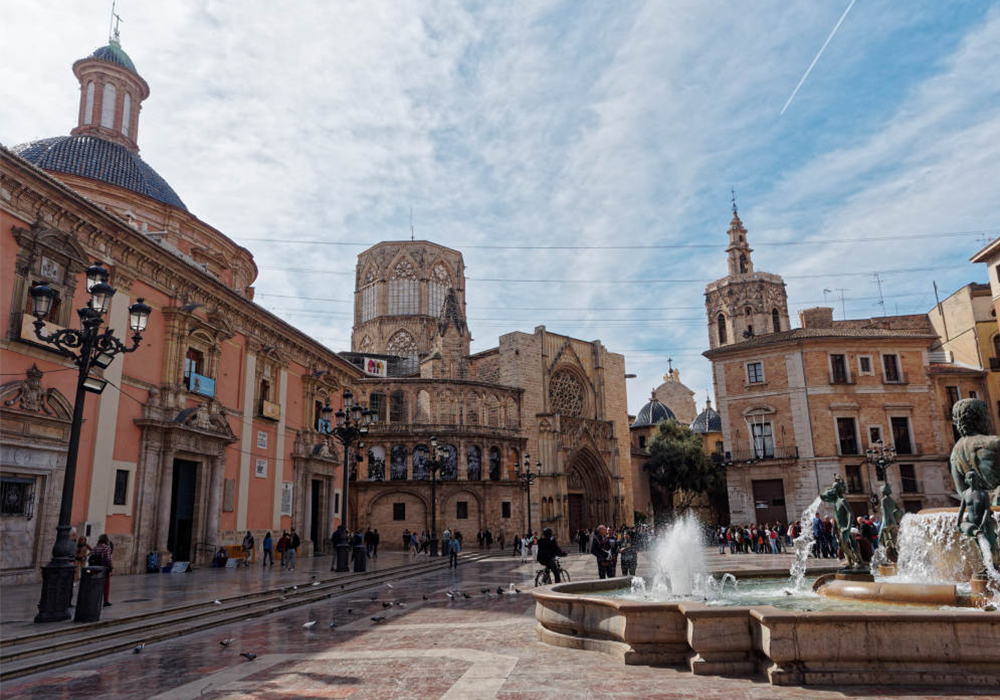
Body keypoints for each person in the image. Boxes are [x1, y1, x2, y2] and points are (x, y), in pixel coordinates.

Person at [89, 534, 114, 607]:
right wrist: (111, 568)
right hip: (104, 568)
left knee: (95, 583)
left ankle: (94, 599)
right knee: (106, 585)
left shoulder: (95, 547)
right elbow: (109, 559)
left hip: (95, 567)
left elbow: (92, 556)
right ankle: (105, 601)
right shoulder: (107, 548)